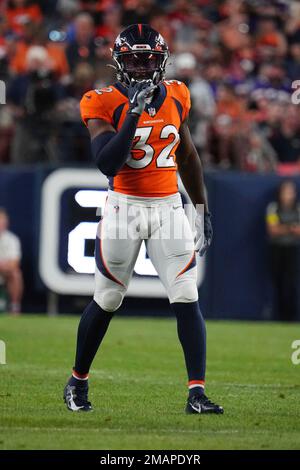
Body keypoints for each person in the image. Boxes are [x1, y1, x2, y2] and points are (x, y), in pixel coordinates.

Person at [63, 24, 223, 415]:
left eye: (148, 60)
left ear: (161, 61)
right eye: (133, 60)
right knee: (108, 298)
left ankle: (196, 394)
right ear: (119, 62)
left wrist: (200, 207)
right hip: (124, 207)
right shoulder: (102, 101)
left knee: (186, 296)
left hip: (168, 206)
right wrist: (133, 112)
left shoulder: (179, 95)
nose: (140, 68)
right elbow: (106, 163)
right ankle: (77, 381)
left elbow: (187, 156)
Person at [266, 180, 300, 321]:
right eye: (285, 191)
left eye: (290, 192)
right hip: (277, 250)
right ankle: (279, 316)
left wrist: (284, 228)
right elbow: (273, 230)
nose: (288, 195)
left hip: (293, 250)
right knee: (278, 282)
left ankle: (291, 316)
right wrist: (290, 228)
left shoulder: (298, 208)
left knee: (292, 283)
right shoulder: (273, 208)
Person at [0, 208, 23, 315]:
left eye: (3, 220)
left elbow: (14, 264)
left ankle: (14, 307)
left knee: (16, 274)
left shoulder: (12, 239)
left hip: (5, 273)